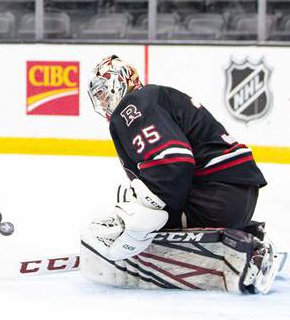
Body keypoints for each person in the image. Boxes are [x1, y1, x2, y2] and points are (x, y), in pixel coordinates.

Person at [80, 55, 277, 294]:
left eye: (104, 93)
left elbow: (173, 163)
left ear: (120, 82)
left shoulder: (133, 105)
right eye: (98, 96)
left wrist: (136, 224)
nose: (103, 101)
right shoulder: (153, 98)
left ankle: (238, 254)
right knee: (143, 203)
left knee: (142, 214)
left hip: (215, 197)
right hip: (235, 196)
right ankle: (247, 237)